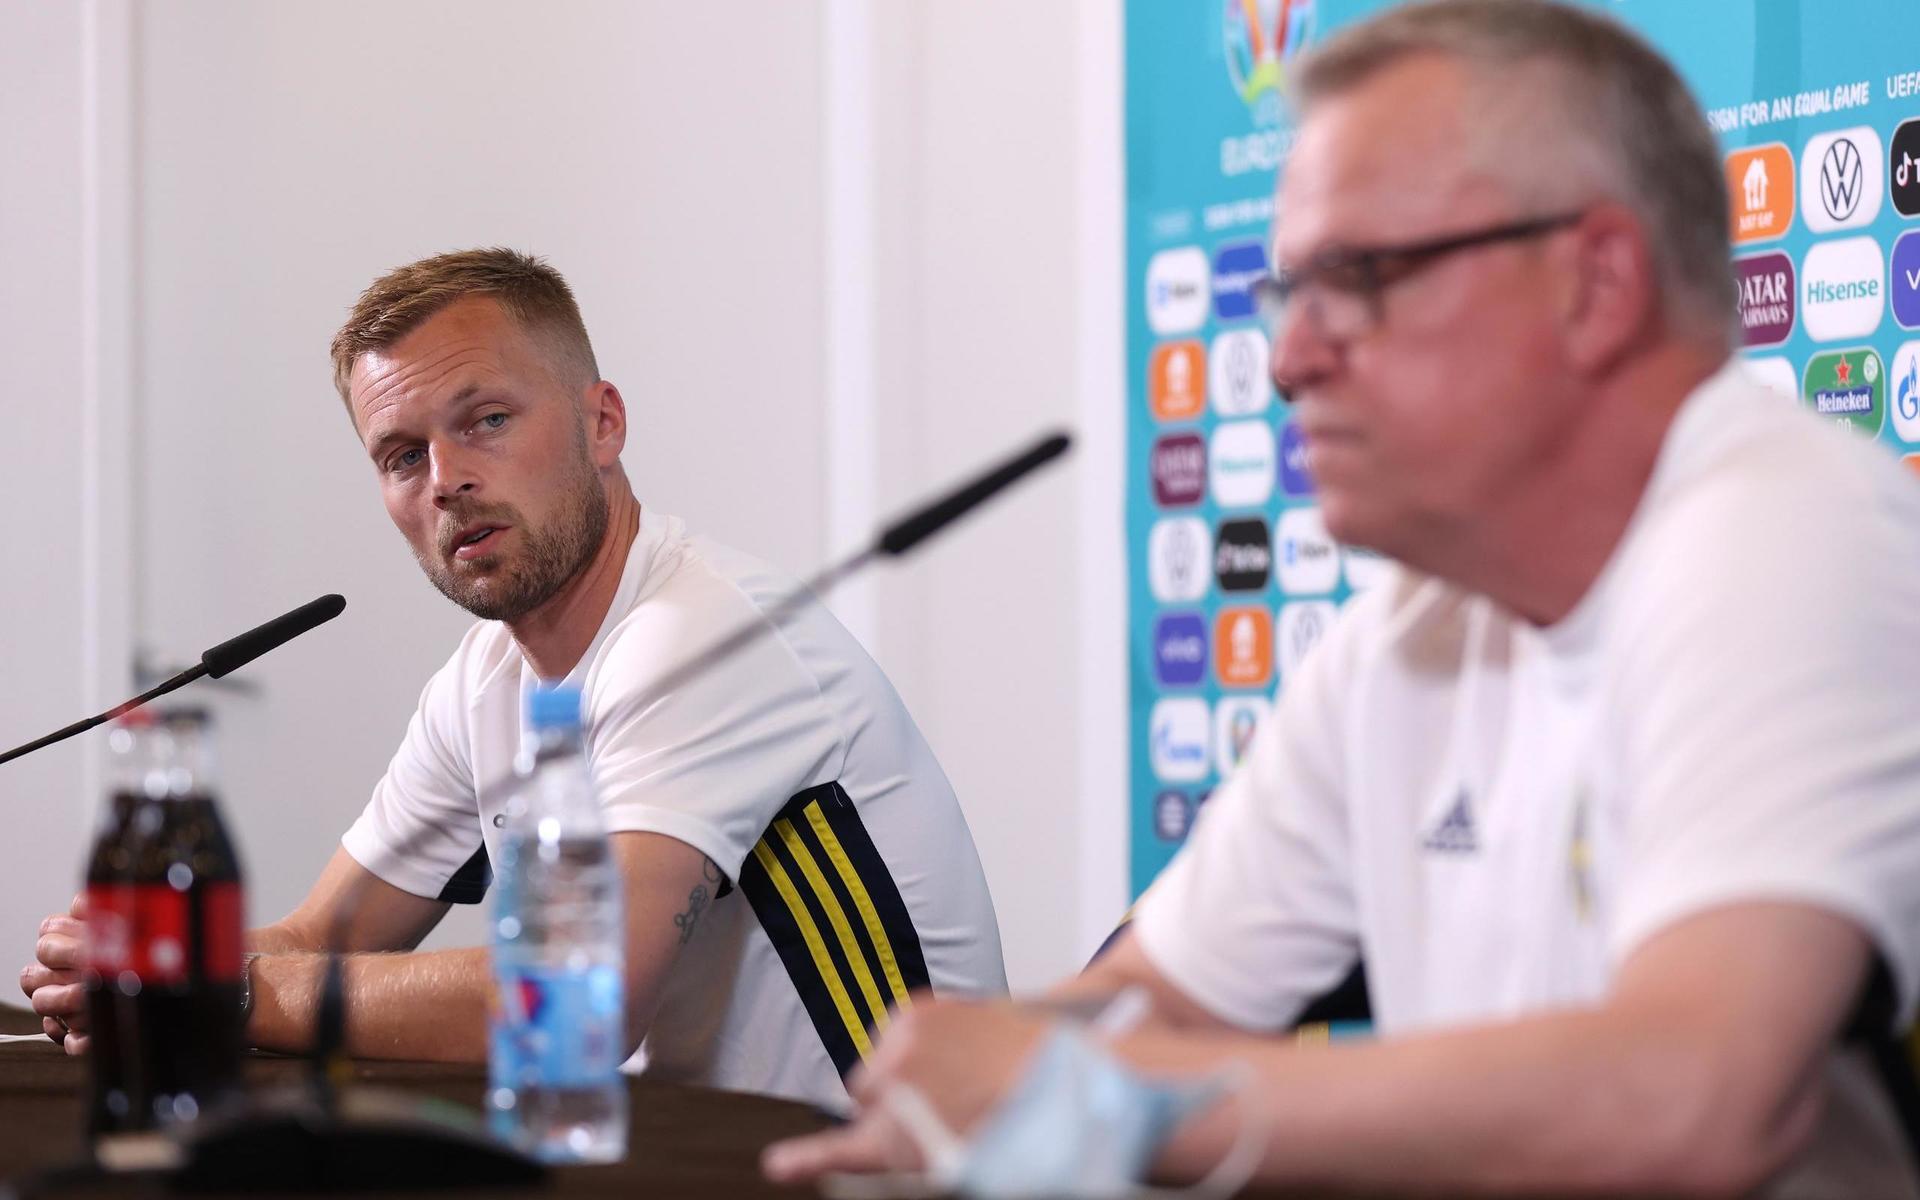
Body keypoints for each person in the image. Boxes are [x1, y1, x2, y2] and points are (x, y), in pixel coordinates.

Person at [762, 1, 1920, 1194]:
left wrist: (1104, 1104)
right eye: (1290, 291)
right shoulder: (1411, 637)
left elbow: (1694, 1099)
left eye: (1359, 277)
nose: (1289, 358)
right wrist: (993, 1066)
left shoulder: (1789, 527)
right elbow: (1151, 1004)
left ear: (1598, 281)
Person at [21, 248, 1007, 1110]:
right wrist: (144, 970)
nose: (445, 478)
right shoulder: (484, 679)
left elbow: (580, 1003)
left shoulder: (705, 639)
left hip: (886, 1164)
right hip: (678, 1153)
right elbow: (324, 934)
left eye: (486, 420)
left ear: (604, 424)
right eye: (403, 455)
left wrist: (216, 990)